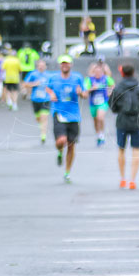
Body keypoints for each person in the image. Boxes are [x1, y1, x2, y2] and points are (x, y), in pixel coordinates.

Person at [46, 55, 85, 184]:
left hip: (73, 116)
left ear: (71, 65)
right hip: (59, 114)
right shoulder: (54, 78)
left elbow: (85, 94)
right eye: (62, 63)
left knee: (71, 145)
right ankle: (59, 152)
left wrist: (80, 93)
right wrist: (51, 94)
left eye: (67, 63)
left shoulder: (77, 78)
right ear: (60, 65)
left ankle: (67, 173)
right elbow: (48, 87)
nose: (65, 65)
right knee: (61, 141)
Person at [110, 63, 139, 189]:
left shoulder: (118, 88)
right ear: (133, 72)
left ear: (122, 73)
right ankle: (133, 179)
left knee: (121, 149)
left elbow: (112, 106)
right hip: (137, 120)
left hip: (122, 120)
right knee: (136, 150)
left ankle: (122, 179)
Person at [84, 60, 114, 147]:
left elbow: (112, 85)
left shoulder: (106, 78)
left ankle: (102, 134)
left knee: (100, 117)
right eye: (96, 71)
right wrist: (92, 88)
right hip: (93, 103)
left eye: (99, 71)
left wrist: (110, 91)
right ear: (93, 72)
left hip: (103, 102)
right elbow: (85, 90)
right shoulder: (89, 79)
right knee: (95, 120)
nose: (98, 73)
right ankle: (99, 135)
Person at [22, 59, 52, 144]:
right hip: (35, 99)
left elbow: (53, 86)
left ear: (45, 66)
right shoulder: (32, 74)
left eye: (43, 65)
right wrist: (34, 84)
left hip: (46, 99)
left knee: (44, 117)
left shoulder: (49, 75)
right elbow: (24, 84)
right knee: (38, 118)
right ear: (37, 66)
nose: (41, 67)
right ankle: (41, 125)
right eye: (40, 65)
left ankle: (43, 135)